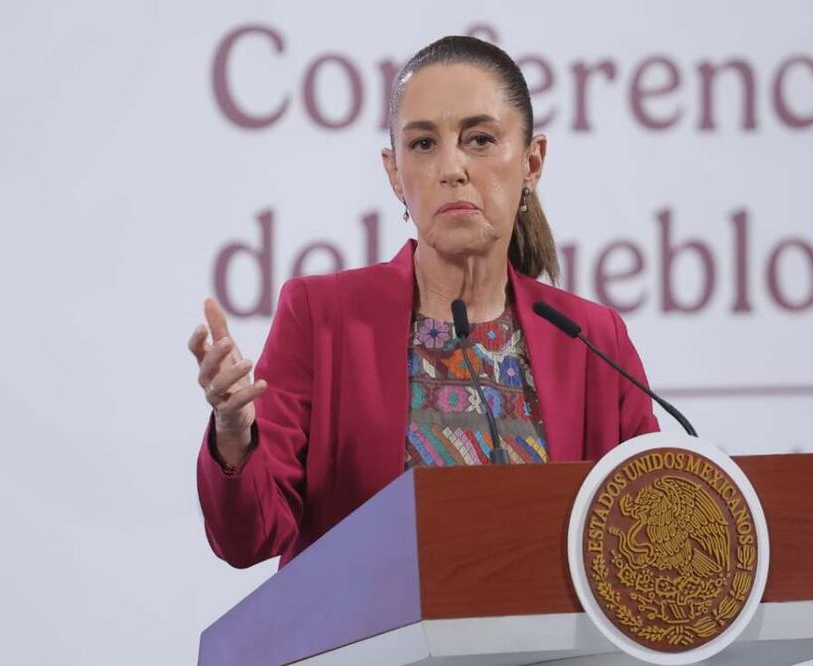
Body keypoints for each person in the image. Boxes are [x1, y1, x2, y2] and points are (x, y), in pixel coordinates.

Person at [190, 36, 659, 569]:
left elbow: (648, 529)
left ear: (532, 162)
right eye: (423, 145)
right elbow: (247, 540)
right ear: (395, 173)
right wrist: (234, 436)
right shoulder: (323, 318)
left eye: (479, 140)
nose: (451, 168)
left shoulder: (593, 340)